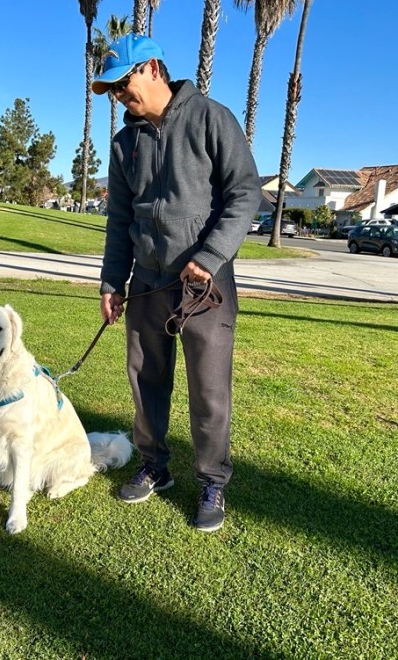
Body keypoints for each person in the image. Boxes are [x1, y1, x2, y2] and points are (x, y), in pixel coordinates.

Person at [92, 34, 261, 532]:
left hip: (205, 286)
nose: (119, 96)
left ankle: (212, 481)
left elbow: (245, 194)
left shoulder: (211, 118)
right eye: (111, 91)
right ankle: (154, 466)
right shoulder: (125, 145)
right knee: (145, 382)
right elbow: (120, 218)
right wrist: (111, 281)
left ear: (151, 68)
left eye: (123, 83)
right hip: (146, 282)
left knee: (209, 391)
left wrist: (209, 257)